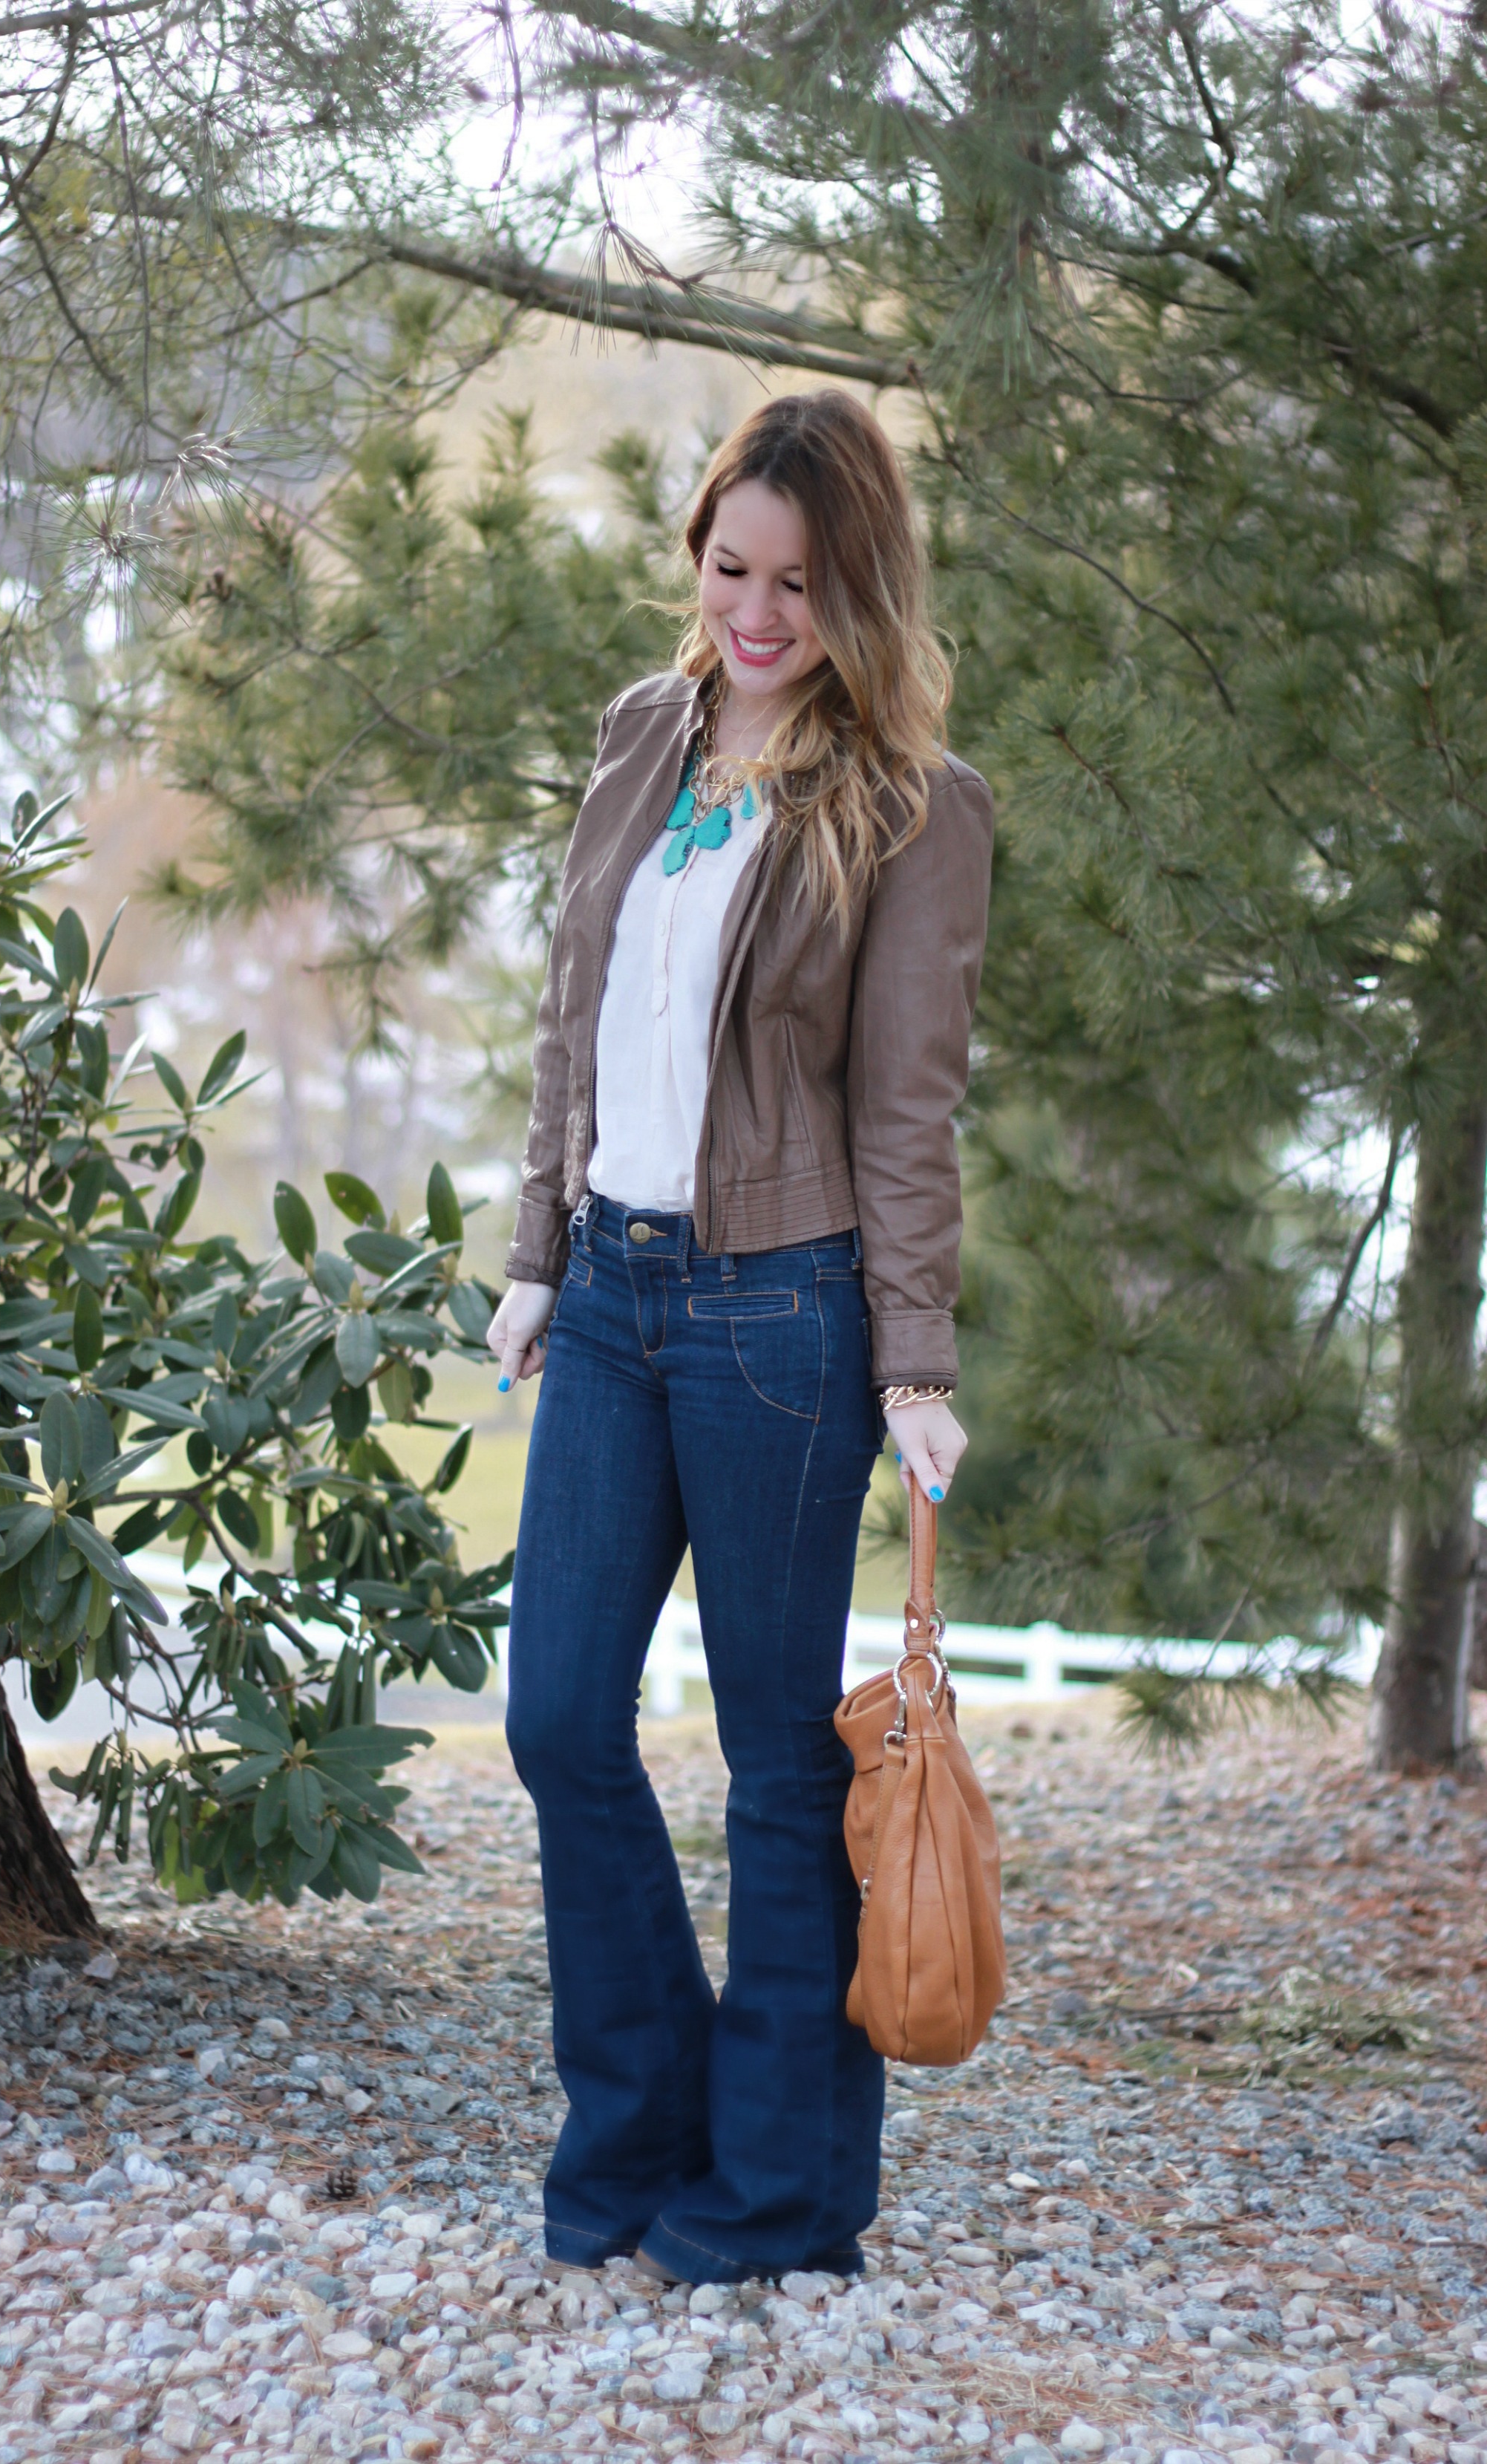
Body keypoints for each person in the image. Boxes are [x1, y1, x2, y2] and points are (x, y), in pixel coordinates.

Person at [487, 386, 994, 2288]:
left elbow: (904, 1110)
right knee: (555, 1725)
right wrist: (535, 1250)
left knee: (782, 1770)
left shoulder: (912, 813)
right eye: (729, 568)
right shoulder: (640, 735)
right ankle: (636, 2133)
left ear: (853, 592)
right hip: (611, 1299)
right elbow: (571, 1013)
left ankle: (775, 2191)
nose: (755, 613)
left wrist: (914, 1361)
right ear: (696, 554)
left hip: (782, 1314)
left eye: (795, 581)